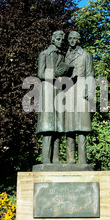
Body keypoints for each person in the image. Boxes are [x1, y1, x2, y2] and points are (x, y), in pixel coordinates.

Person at [36, 30, 71, 164]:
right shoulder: (44, 54)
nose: (61, 41)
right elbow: (40, 73)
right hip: (47, 90)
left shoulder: (62, 56)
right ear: (53, 39)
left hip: (59, 90)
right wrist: (54, 75)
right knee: (48, 126)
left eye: (62, 40)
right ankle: (45, 159)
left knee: (58, 126)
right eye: (58, 39)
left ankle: (56, 159)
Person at [64, 31, 95, 164]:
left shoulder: (86, 55)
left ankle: (83, 160)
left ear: (78, 40)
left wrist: (91, 92)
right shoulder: (64, 55)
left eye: (74, 38)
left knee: (82, 126)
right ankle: (70, 160)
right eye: (69, 38)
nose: (71, 40)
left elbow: (90, 74)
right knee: (69, 126)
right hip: (68, 90)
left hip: (82, 90)